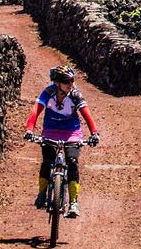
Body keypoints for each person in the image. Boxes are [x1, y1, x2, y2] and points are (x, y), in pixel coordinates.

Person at [24, 65, 99, 218]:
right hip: (50, 130)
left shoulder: (75, 94)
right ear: (57, 83)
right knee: (47, 161)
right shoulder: (48, 92)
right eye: (66, 81)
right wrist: (29, 129)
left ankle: (73, 202)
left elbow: (86, 114)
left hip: (72, 132)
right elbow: (36, 110)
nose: (70, 84)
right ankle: (42, 193)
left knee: (72, 162)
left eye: (72, 80)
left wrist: (94, 133)